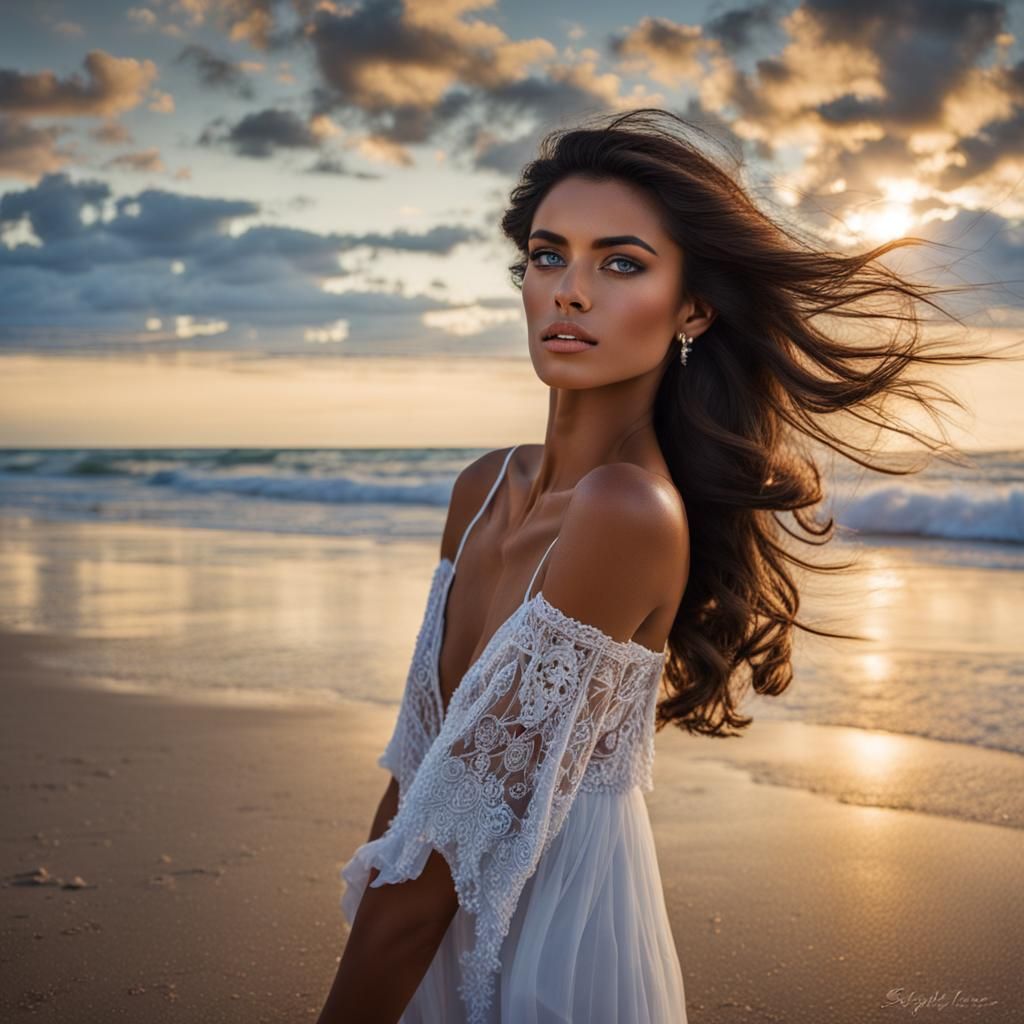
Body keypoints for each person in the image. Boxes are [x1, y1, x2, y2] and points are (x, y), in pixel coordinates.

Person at [317, 108, 1006, 1023]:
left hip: (551, 956)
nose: (569, 290)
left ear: (693, 308)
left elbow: (447, 853)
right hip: (424, 937)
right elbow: (417, 780)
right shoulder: (484, 487)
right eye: (548, 254)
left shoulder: (628, 512)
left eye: (621, 263)